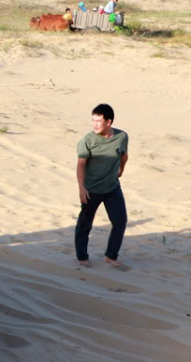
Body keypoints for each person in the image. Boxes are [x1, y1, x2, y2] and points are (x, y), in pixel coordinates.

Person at [75, 104, 129, 268]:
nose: (95, 124)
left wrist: (121, 170)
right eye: (93, 120)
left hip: (112, 188)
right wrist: (82, 188)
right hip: (91, 189)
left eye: (98, 121)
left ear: (109, 122)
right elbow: (80, 165)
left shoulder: (122, 137)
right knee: (85, 224)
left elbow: (124, 155)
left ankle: (111, 256)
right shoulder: (88, 140)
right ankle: (82, 257)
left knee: (120, 221)